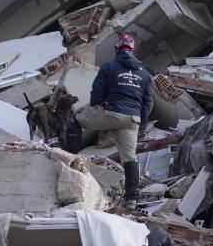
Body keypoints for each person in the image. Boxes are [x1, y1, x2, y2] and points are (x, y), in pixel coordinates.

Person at [65, 33, 152, 208]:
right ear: (132, 50)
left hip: (112, 113)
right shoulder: (145, 73)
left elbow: (97, 93)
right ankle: (132, 199)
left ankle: (69, 163)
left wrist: (97, 106)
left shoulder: (108, 67)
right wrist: (141, 124)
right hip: (132, 119)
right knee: (129, 158)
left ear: (117, 49)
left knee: (75, 120)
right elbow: (147, 102)